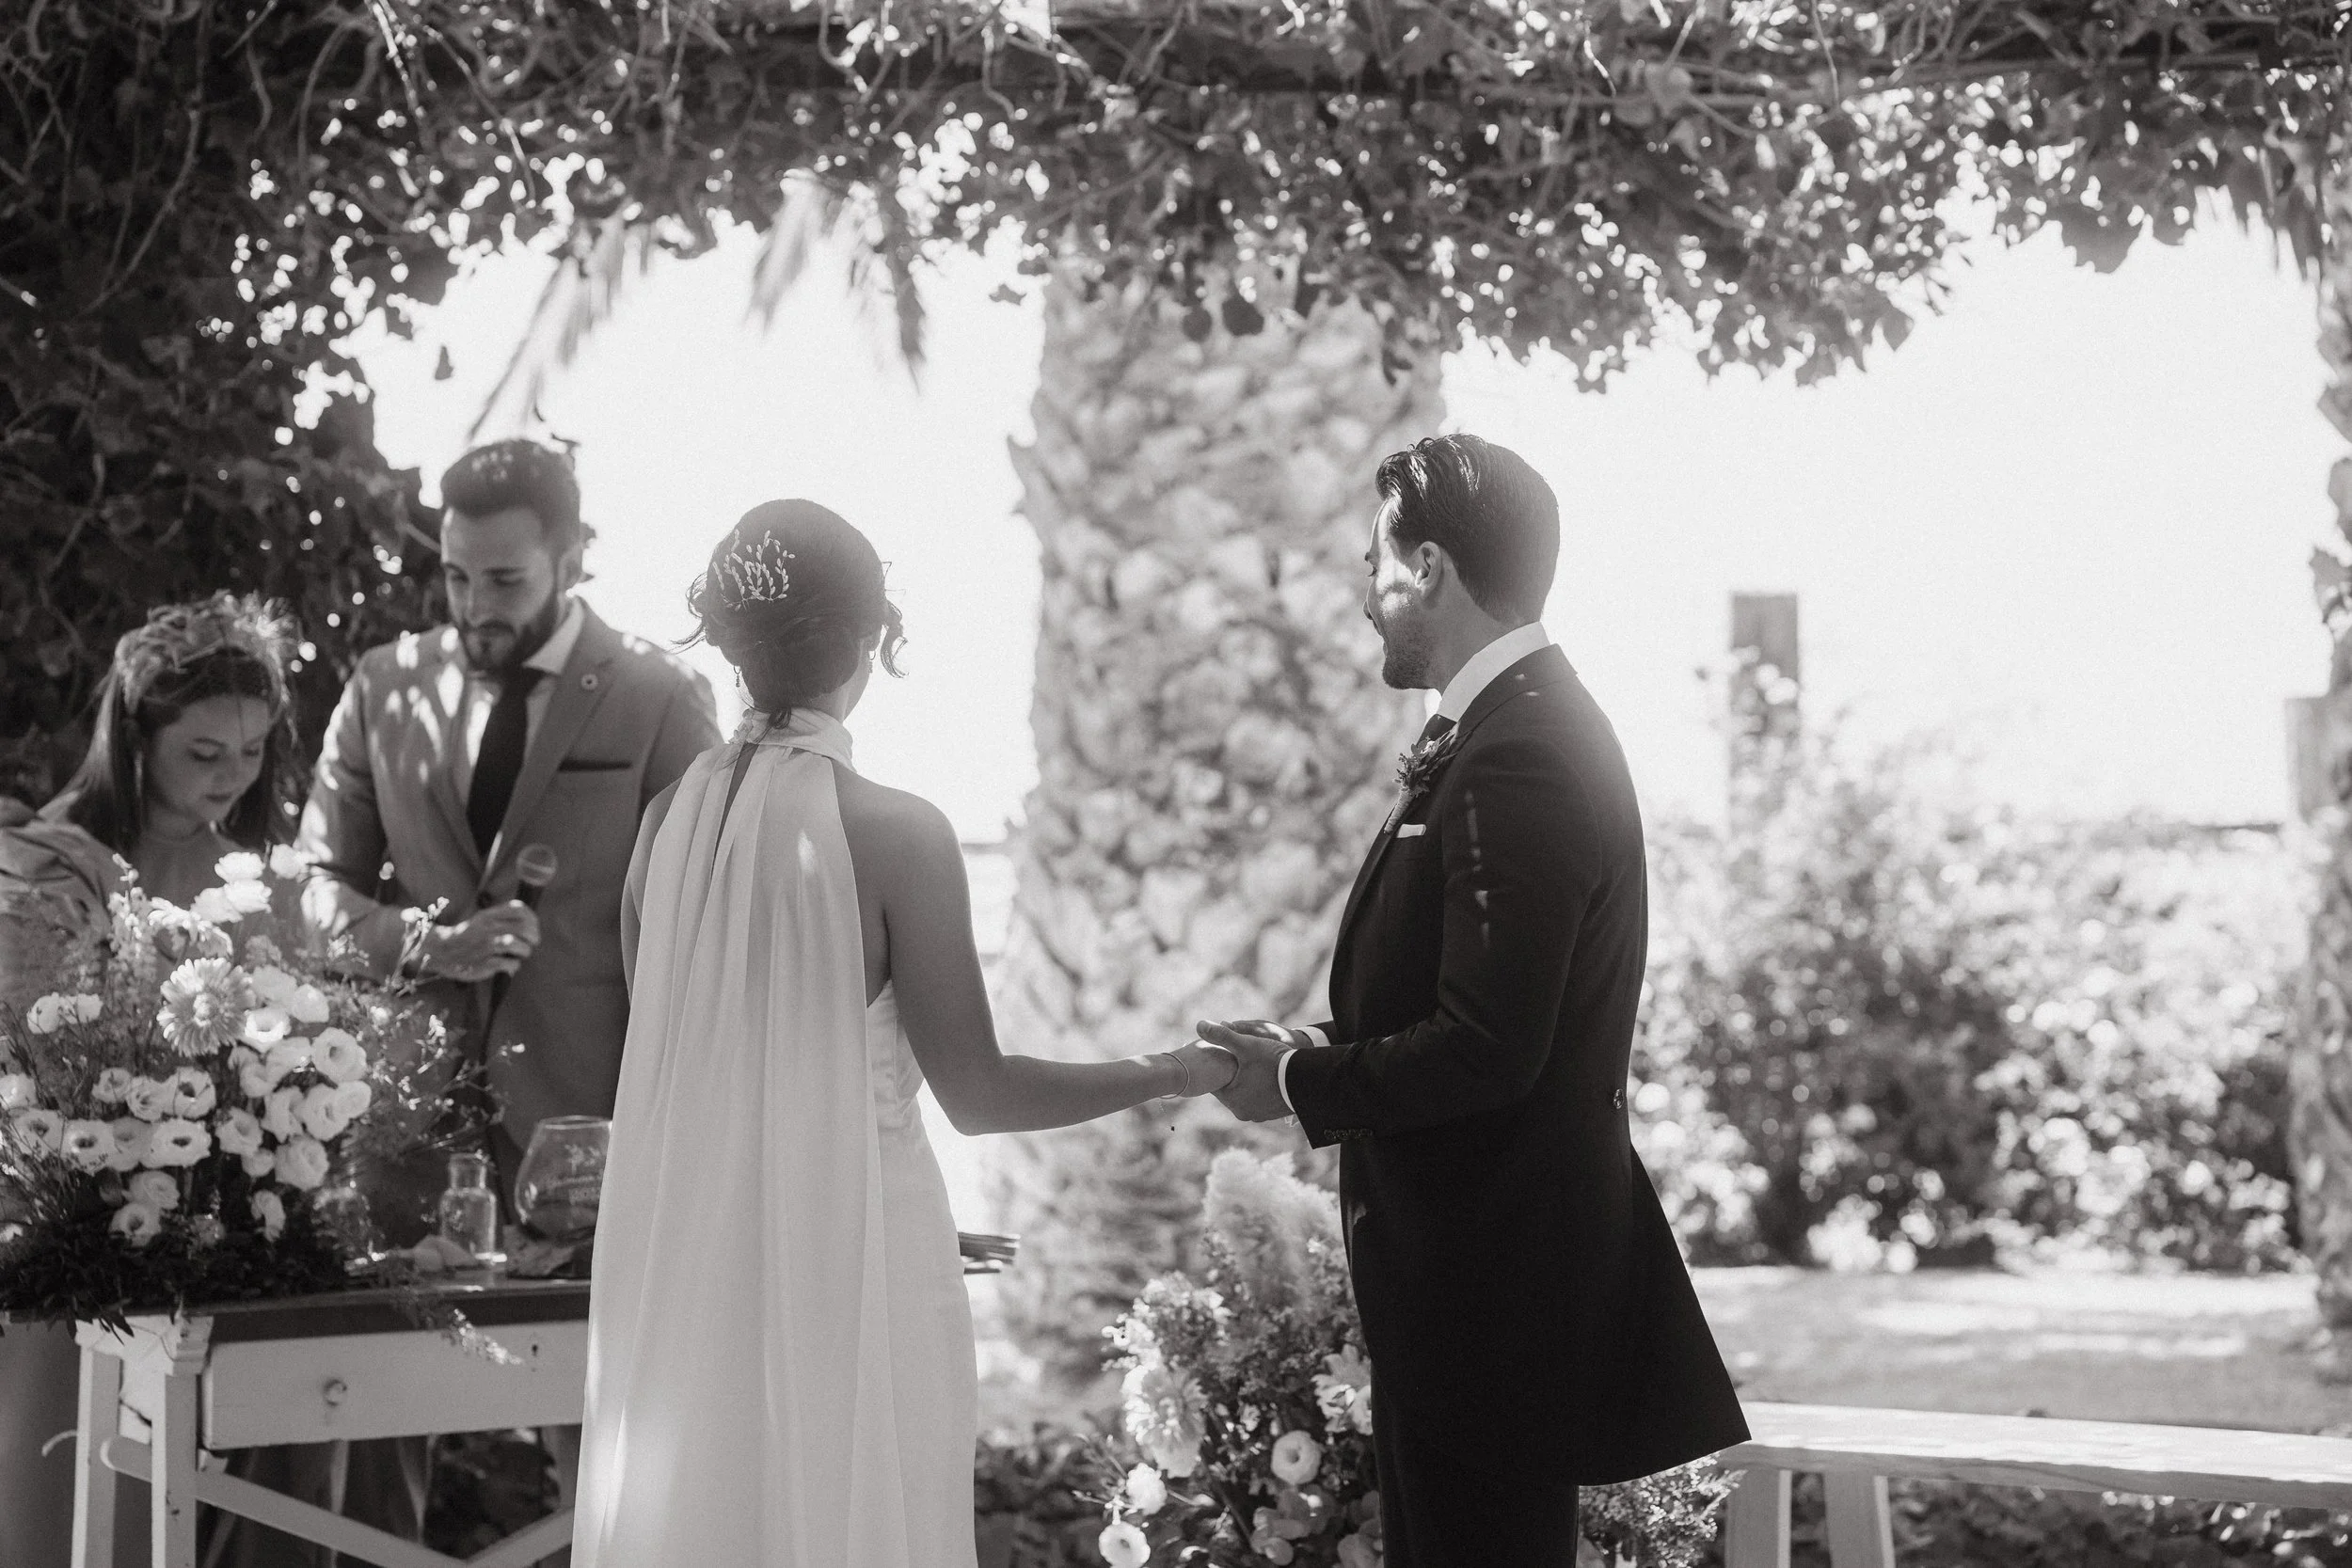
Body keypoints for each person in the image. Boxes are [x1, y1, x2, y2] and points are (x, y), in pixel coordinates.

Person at [573, 501, 1239, 1568]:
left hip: (692, 1279)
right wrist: (1170, 1068)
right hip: (860, 1277)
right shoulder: (898, 832)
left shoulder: (662, 826)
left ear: (731, 644)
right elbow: (979, 1094)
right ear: (875, 638)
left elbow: (683, 1083)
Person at [1199, 435, 1750, 1567]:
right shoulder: (1501, 730)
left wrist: (1301, 1082)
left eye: (1373, 563)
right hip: (1465, 1282)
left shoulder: (1523, 752)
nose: (1364, 595)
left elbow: (1493, 1046)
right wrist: (1311, 1041)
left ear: (1431, 565)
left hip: (1493, 1292)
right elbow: (1464, 997)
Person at [295, 438, 719, 1555]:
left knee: (613, 1465)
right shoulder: (384, 685)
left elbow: (707, 919)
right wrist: (429, 941)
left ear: (574, 556)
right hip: (400, 1133)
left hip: (592, 1140)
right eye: (453, 576)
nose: (473, 606)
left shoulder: (658, 697)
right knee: (369, 1457)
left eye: (505, 581)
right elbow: (313, 890)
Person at [0, 593, 323, 1568]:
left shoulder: (258, 879)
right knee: (71, 1501)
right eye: (205, 752)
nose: (233, 777)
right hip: (76, 1230)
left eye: (254, 751)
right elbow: (32, 1054)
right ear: (135, 738)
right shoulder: (50, 864)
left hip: (227, 1235)